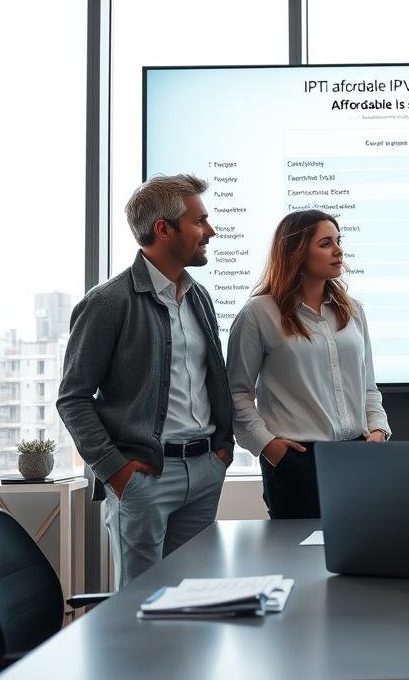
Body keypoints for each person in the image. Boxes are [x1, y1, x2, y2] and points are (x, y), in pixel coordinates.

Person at [57, 174, 234, 589]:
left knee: (196, 599)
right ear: (163, 229)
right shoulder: (107, 302)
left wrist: (222, 450)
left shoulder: (198, 295)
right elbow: (73, 398)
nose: (210, 231)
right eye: (199, 221)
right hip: (145, 478)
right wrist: (114, 470)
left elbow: (212, 380)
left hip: (205, 469)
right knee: (141, 607)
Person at [227, 210, 390, 519]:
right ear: (297, 252)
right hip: (296, 460)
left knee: (357, 555)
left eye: (339, 241)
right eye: (326, 243)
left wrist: (378, 430)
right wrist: (269, 447)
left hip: (356, 455)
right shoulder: (258, 314)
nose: (339, 250)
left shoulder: (353, 311)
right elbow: (237, 394)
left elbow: (368, 385)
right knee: (296, 560)